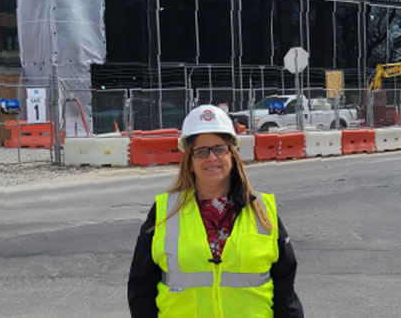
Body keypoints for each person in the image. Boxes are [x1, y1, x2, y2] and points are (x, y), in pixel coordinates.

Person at [128, 105, 303, 318]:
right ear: (190, 162)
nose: (211, 158)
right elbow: (141, 287)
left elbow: (284, 288)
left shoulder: (261, 210)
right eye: (201, 152)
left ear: (232, 154)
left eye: (219, 149)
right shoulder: (166, 211)